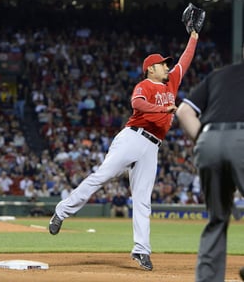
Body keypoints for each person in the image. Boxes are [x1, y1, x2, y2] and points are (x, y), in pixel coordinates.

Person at [49, 30, 199, 271]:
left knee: (142, 200)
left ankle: (141, 250)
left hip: (153, 147)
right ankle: (62, 211)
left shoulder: (171, 81)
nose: (166, 67)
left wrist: (194, 35)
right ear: (151, 68)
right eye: (162, 64)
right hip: (132, 137)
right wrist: (163, 110)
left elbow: (186, 59)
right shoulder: (145, 85)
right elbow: (137, 104)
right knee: (102, 176)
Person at [175, 59, 244, 282]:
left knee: (217, 218)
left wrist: (202, 140)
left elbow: (184, 112)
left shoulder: (218, 75)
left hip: (207, 141)